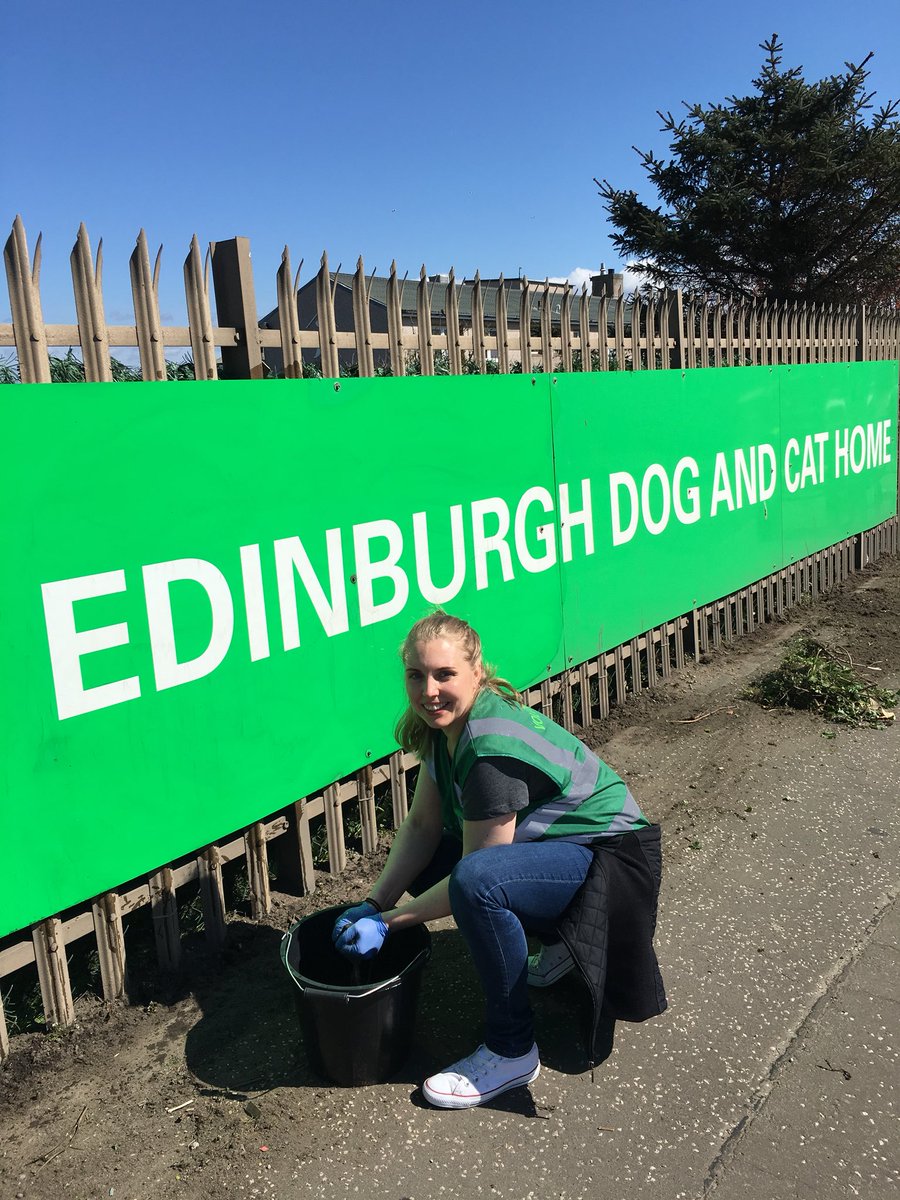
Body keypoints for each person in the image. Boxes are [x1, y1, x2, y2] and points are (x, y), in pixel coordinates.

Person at [332, 611, 667, 1110]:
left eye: (445, 675)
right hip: (571, 853)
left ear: (476, 673)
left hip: (615, 863)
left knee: (476, 883)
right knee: (440, 858)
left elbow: (479, 872)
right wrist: (372, 901)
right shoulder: (442, 729)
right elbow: (422, 827)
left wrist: (389, 923)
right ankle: (560, 947)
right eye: (416, 675)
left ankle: (511, 1049)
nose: (429, 690)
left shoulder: (487, 749)